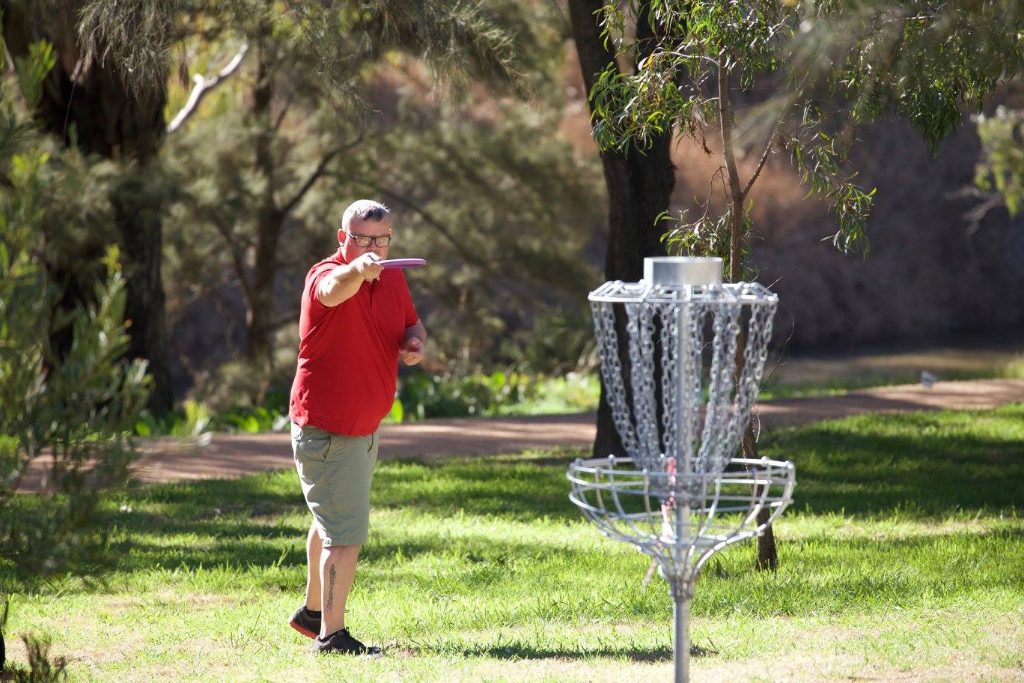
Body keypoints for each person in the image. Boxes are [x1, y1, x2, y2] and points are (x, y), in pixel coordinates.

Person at [286, 199, 426, 655]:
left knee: (330, 520)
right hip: (329, 427)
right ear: (342, 237)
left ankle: (311, 613)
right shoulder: (325, 275)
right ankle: (331, 635)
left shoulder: (393, 275)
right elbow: (331, 291)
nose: (373, 247)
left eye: (381, 239)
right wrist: (358, 268)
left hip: (364, 426)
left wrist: (413, 341)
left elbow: (410, 320)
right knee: (345, 535)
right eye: (362, 238)